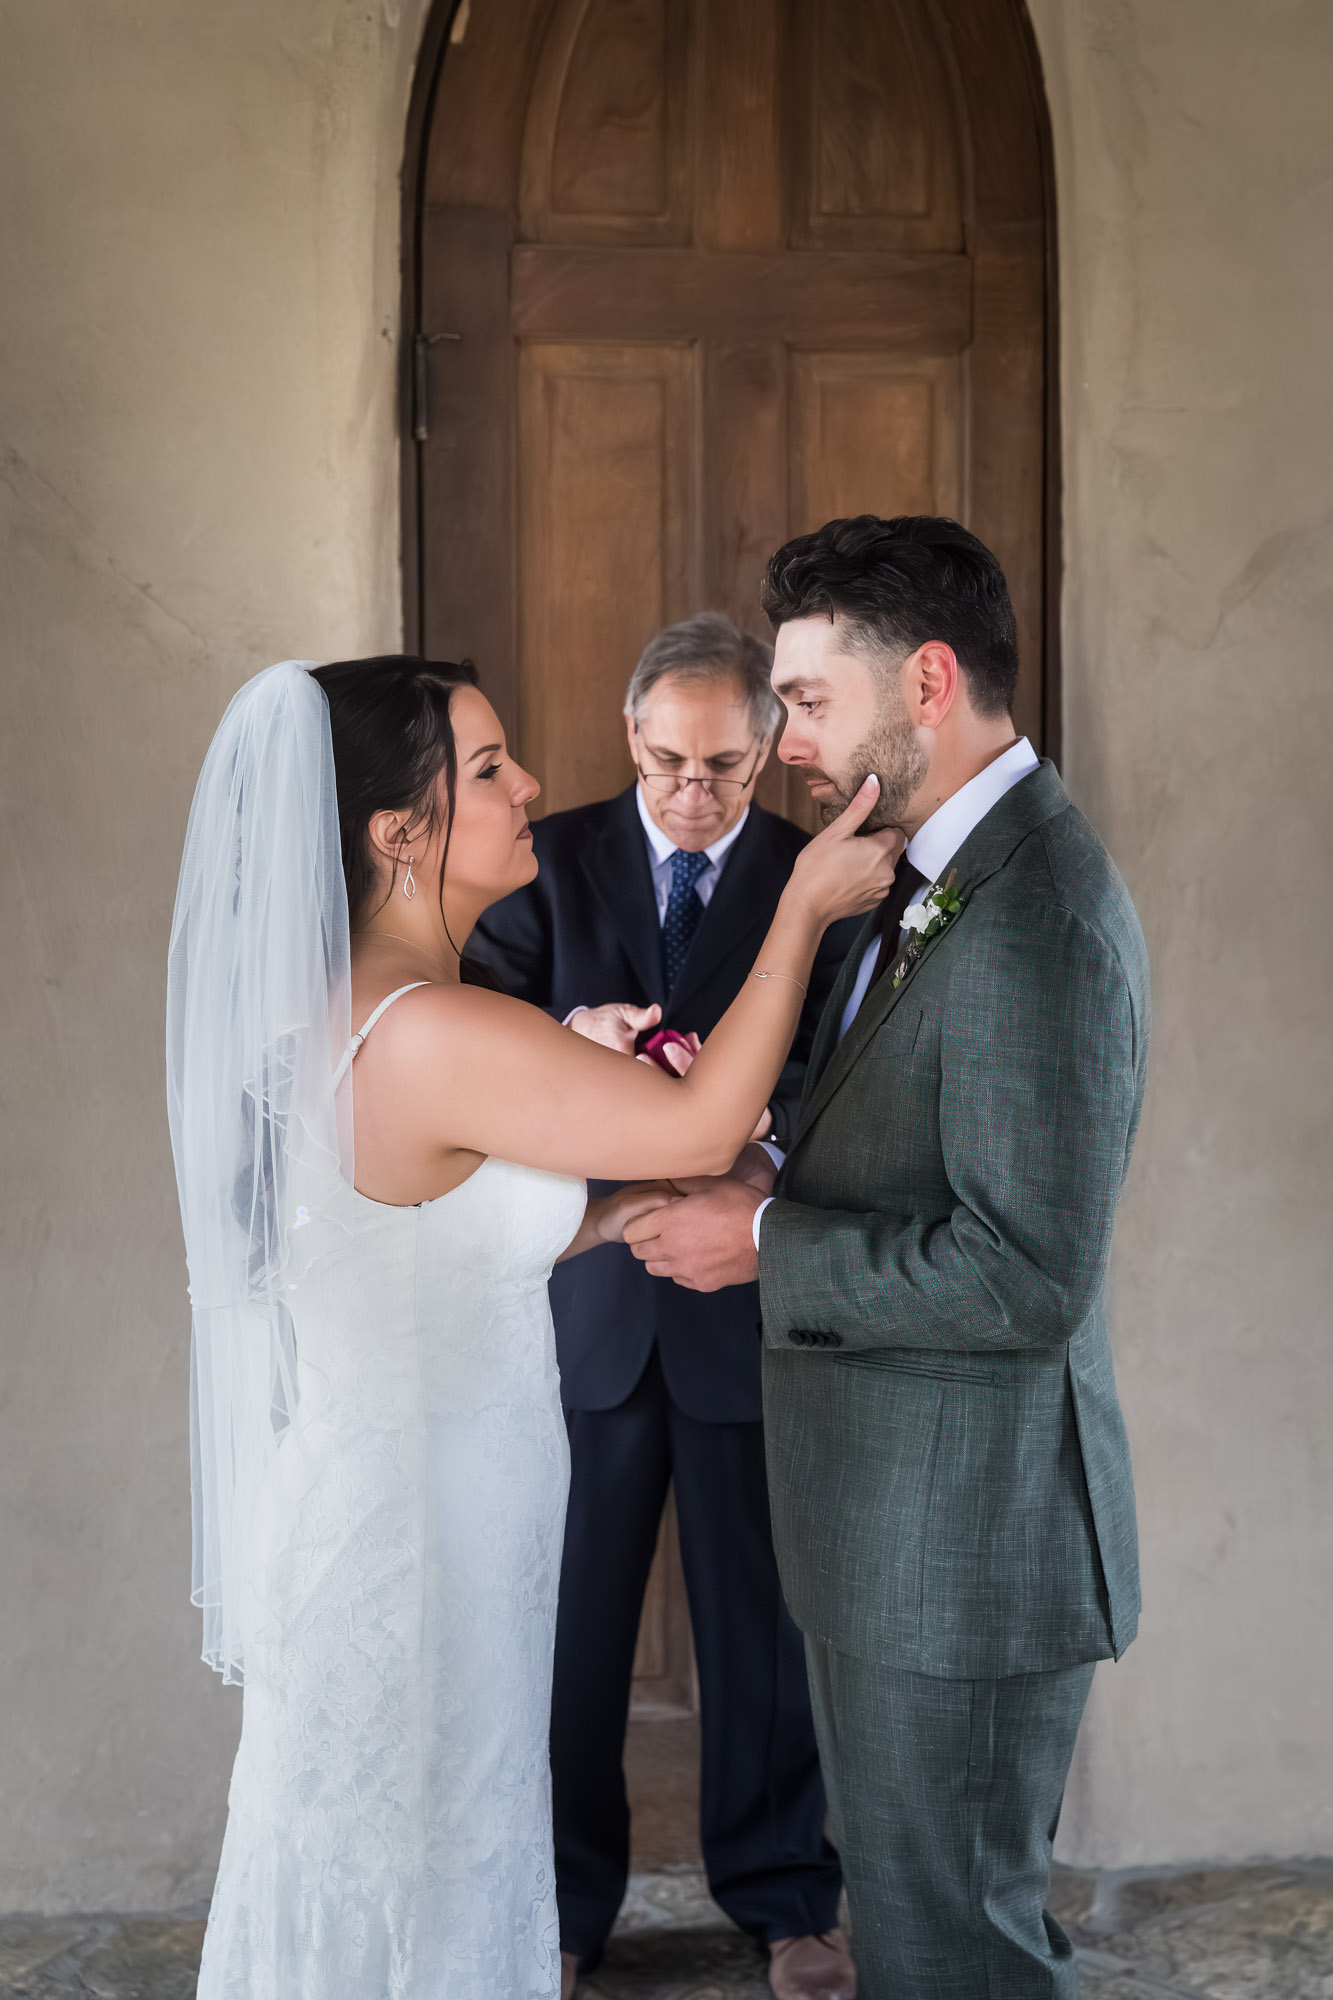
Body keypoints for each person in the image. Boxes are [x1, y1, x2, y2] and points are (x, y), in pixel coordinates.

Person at [165, 654, 897, 2000]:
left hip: (398, 1516)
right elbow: (695, 1124)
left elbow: (411, 1235)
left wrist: (603, 1221)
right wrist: (795, 912)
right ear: (397, 832)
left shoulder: (348, 1012)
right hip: (424, 1548)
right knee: (427, 1874)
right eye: (488, 769)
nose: (531, 788)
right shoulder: (431, 1024)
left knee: (406, 1869)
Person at [624, 516, 1150, 2000]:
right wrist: (769, 1164)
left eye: (803, 699)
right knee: (920, 1937)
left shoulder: (1035, 913)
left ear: (924, 680)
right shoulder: (907, 870)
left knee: (951, 1959)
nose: (782, 742)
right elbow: (890, 1129)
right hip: (892, 1539)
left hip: (966, 1553)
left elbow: (1023, 1275)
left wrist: (770, 1239)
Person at [470, 614, 859, 2000]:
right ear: (630, 737)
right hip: (583, 1312)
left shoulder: (812, 880)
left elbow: (836, 1063)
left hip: (744, 1306)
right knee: (566, 1631)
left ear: (767, 751)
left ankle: (785, 1899)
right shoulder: (546, 861)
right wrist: (566, 1049)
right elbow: (472, 1035)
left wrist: (759, 1154)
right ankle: (562, 1910)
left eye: (725, 769)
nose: (693, 794)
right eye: (666, 761)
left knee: (758, 1620)